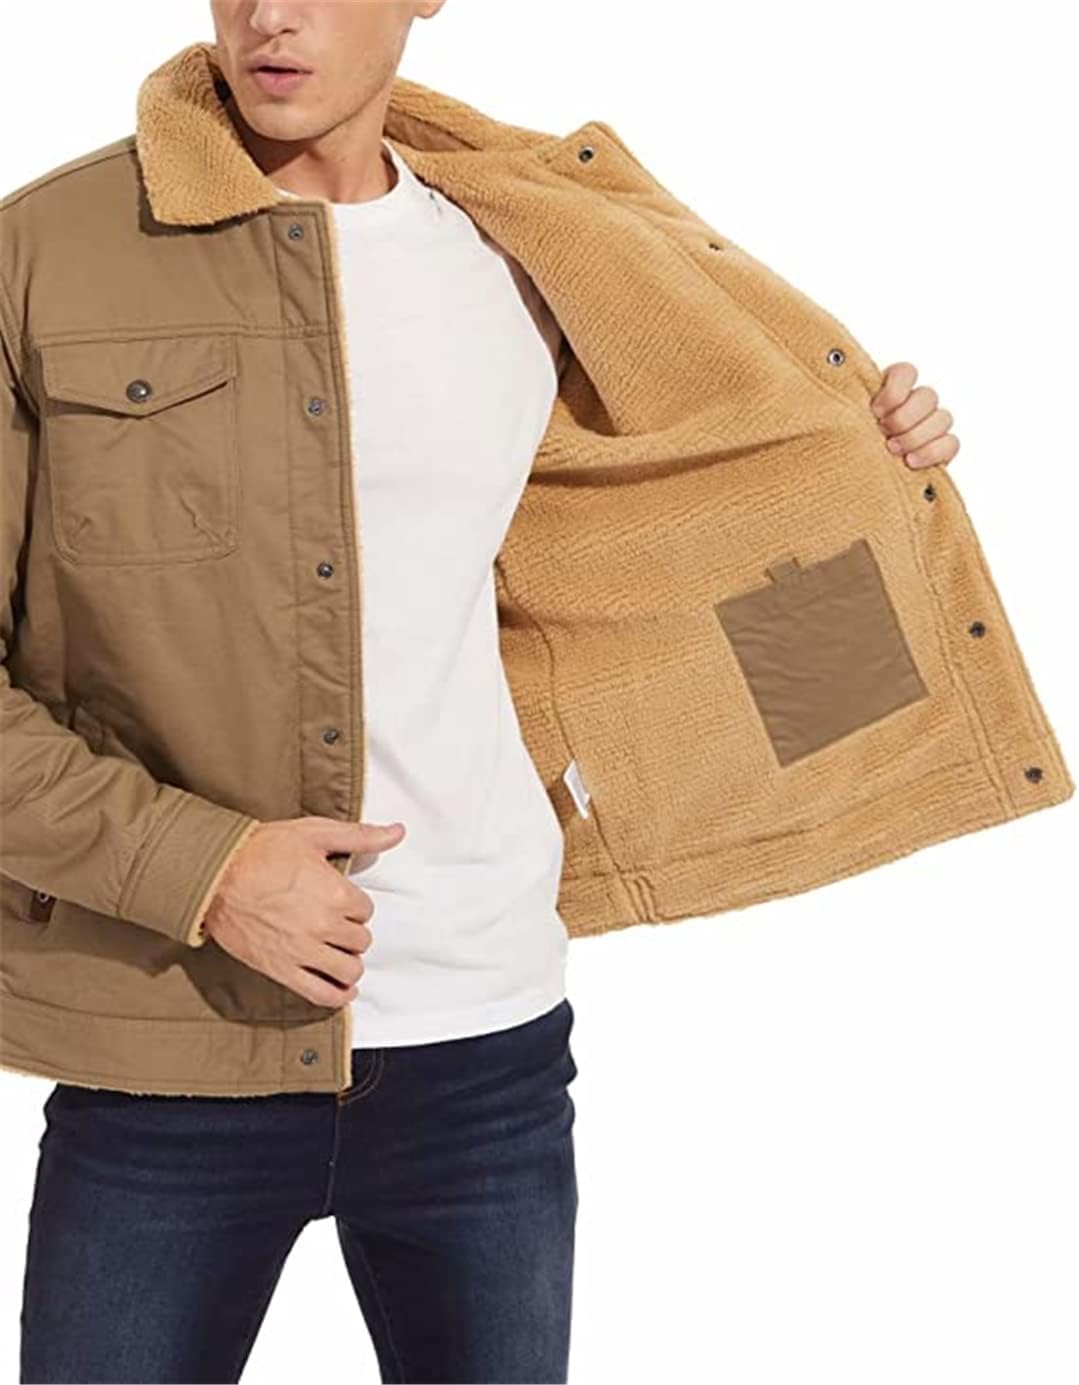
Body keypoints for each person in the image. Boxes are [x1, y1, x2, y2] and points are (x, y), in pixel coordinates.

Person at [6, 2, 1013, 1383]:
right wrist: (209, 869)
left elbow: (683, 527)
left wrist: (860, 467)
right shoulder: (48, 255)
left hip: (488, 1045)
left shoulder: (528, 245)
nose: (271, 15)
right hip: (167, 1040)